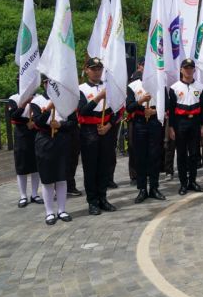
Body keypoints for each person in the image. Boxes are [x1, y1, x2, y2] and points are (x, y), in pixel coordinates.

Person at [30, 75, 76, 225]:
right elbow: (37, 122)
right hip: (44, 140)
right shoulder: (37, 101)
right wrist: (48, 109)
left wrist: (61, 125)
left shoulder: (66, 100)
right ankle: (49, 212)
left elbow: (73, 123)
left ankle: (62, 210)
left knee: (62, 177)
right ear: (44, 83)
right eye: (48, 82)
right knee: (48, 178)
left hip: (62, 140)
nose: (51, 84)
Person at [78, 57, 120, 215]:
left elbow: (117, 110)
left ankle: (103, 198)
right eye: (93, 69)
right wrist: (98, 98)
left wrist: (109, 125)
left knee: (104, 166)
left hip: (106, 130)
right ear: (87, 70)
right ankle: (92, 201)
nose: (96, 72)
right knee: (90, 168)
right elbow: (82, 111)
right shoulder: (81, 89)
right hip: (89, 131)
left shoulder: (109, 87)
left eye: (99, 69)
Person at [126, 68, 166, 203]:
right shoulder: (133, 86)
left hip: (155, 122)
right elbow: (129, 107)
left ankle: (154, 187)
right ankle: (142, 188)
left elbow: (167, 105)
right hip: (139, 123)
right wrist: (141, 101)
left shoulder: (161, 84)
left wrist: (154, 112)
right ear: (141, 68)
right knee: (140, 156)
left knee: (155, 155)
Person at [167, 58, 203, 196]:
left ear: (194, 70)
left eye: (191, 68)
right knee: (181, 154)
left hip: (195, 123)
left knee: (194, 153)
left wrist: (202, 126)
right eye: (186, 68)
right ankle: (183, 183)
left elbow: (202, 109)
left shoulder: (200, 87)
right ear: (181, 70)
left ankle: (193, 181)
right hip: (180, 123)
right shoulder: (174, 87)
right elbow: (171, 110)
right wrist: (171, 127)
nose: (188, 70)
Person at [8, 81, 42, 207]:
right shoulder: (14, 98)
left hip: (36, 132)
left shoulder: (39, 98)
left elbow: (42, 115)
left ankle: (34, 194)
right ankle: (23, 195)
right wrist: (24, 104)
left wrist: (34, 122)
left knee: (35, 165)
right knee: (21, 165)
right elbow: (13, 115)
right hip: (21, 133)